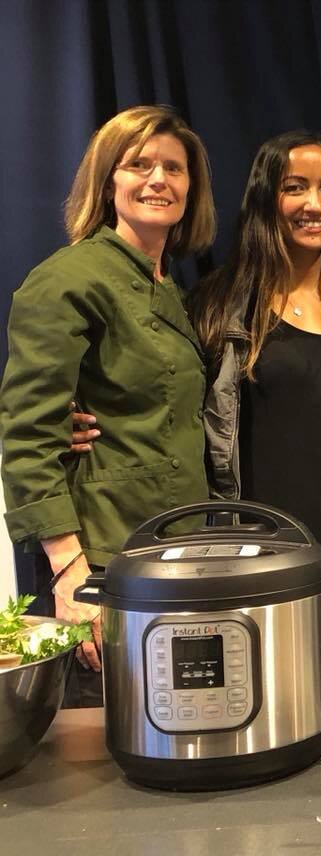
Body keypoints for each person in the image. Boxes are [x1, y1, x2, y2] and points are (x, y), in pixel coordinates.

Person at [0, 105, 216, 706]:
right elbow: (25, 437)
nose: (158, 180)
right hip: (102, 559)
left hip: (174, 551)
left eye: (174, 168)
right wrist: (71, 574)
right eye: (139, 164)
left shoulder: (166, 285)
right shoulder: (68, 279)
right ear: (107, 179)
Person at [191, 131, 321, 676]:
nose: (314, 205)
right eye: (294, 187)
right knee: (274, 725)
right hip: (264, 565)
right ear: (264, 198)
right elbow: (171, 410)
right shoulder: (220, 304)